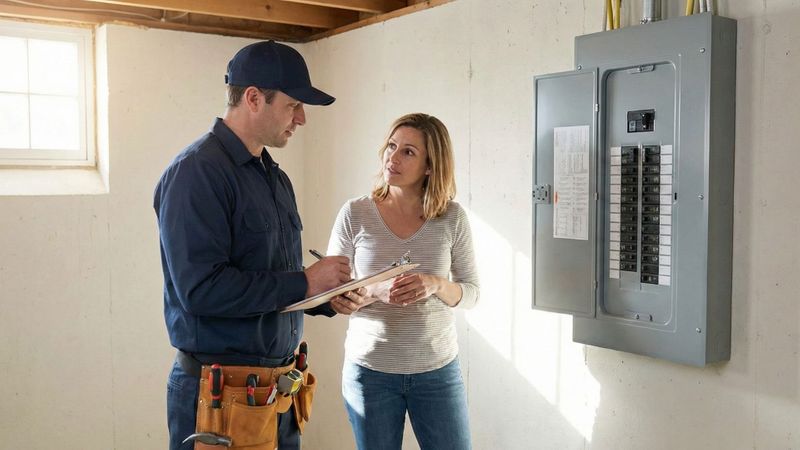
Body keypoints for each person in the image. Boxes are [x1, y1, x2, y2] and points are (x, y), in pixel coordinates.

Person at [154, 40, 365, 450]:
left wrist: (327, 295)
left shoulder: (273, 177)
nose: (302, 118)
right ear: (253, 98)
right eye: (293, 105)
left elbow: (271, 276)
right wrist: (305, 283)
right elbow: (201, 291)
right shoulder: (196, 174)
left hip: (277, 394)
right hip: (219, 399)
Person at [327, 113, 480, 450]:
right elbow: (331, 292)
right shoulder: (354, 213)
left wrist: (436, 284)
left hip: (437, 373)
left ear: (430, 166)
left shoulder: (452, 218)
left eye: (408, 152)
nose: (392, 158)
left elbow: (471, 294)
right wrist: (373, 291)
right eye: (391, 146)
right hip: (370, 373)